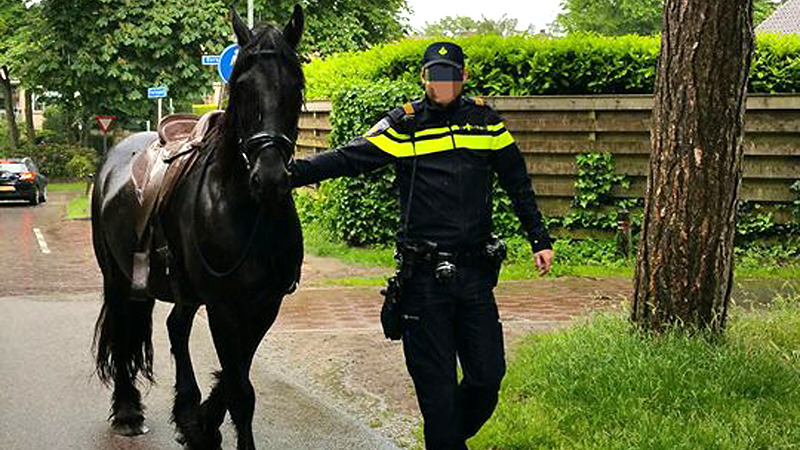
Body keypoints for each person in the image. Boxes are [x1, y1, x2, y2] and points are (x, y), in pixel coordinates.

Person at [289, 42, 553, 450]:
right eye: (435, 75)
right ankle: (445, 438)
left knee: (487, 378)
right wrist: (286, 174)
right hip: (424, 283)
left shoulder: (486, 123)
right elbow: (347, 158)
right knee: (438, 395)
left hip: (475, 277)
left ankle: (446, 437)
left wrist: (539, 238)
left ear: (463, 77)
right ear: (423, 78)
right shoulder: (404, 125)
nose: (441, 84)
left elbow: (517, 183)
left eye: (450, 75)